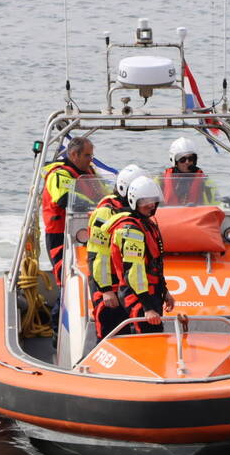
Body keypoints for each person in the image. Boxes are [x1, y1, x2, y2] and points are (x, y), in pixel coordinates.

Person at [86, 163, 146, 339]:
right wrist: (106, 290)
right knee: (110, 330)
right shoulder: (105, 213)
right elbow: (98, 255)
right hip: (108, 282)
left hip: (126, 280)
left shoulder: (136, 211)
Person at [108, 176, 175, 334]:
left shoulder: (146, 223)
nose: (150, 205)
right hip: (138, 297)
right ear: (134, 201)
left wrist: (165, 292)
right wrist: (148, 308)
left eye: (153, 200)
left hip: (152, 293)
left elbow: (155, 265)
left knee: (156, 339)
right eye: (144, 201)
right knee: (145, 339)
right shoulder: (131, 230)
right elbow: (133, 271)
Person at [41, 136, 98, 284]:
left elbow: (102, 193)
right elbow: (64, 199)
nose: (90, 159)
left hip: (88, 231)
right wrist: (95, 205)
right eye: (87, 155)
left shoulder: (90, 173)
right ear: (74, 155)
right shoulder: (58, 174)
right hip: (61, 234)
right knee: (66, 280)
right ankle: (60, 307)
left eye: (91, 155)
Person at [159, 137, 216, 205]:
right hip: (170, 214)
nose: (187, 162)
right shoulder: (161, 179)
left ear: (195, 160)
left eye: (191, 158)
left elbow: (215, 203)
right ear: (175, 161)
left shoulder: (205, 180)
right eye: (182, 159)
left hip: (196, 214)